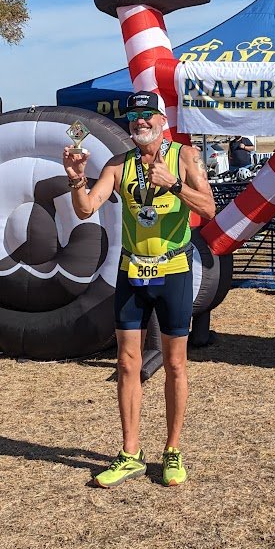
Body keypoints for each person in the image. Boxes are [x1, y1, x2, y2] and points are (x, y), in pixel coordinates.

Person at [63, 90, 215, 488]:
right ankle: (130, 452)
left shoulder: (185, 157)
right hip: (132, 272)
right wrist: (77, 177)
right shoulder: (119, 164)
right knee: (128, 363)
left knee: (175, 364)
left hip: (174, 270)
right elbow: (85, 209)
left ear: (163, 120)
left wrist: (175, 184)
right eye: (135, 117)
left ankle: (172, 450)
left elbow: (209, 209)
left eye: (148, 115)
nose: (141, 122)